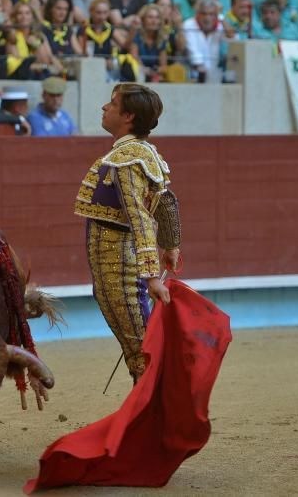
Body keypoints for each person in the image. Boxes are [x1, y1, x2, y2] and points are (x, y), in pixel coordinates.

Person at [73, 83, 180, 382]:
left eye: (112, 104)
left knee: (140, 351)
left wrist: (150, 277)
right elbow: (166, 201)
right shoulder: (143, 152)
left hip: (119, 263)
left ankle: (154, 420)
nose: (104, 108)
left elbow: (140, 217)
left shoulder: (127, 158)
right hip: (122, 260)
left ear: (128, 117)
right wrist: (171, 245)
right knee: (140, 345)